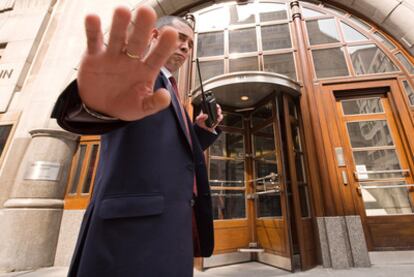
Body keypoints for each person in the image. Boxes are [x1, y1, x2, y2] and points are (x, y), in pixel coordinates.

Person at [51, 5, 223, 277]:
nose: (185, 47)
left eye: (190, 44)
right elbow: (100, 110)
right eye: (179, 38)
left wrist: (200, 131)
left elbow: (170, 153)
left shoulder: (171, 90)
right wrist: (96, 105)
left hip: (171, 225)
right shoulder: (135, 77)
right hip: (131, 230)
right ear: (154, 35)